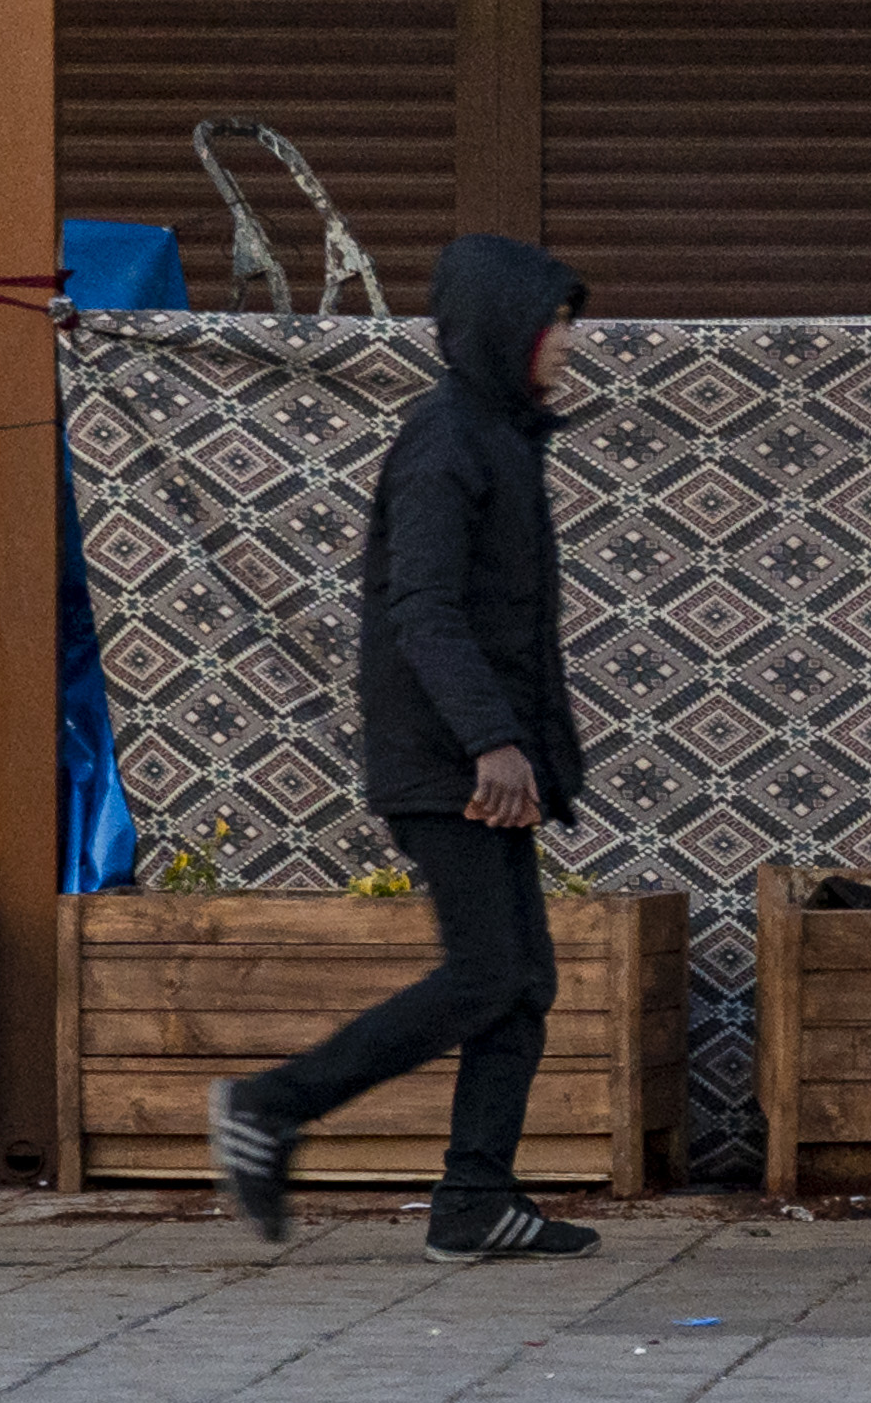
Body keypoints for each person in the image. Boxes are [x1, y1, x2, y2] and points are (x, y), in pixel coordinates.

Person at [209, 233, 608, 1264]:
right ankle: (269, 1106)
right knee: (486, 975)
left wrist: (524, 747)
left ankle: (475, 1200)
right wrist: (492, 743)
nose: (568, 341)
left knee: (521, 980)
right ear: (504, 329)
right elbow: (423, 610)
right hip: (450, 760)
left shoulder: (499, 435)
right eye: (552, 322)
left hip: (482, 755)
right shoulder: (447, 440)